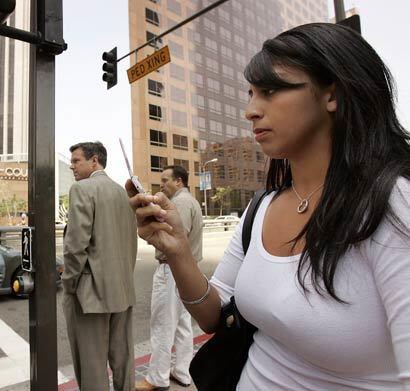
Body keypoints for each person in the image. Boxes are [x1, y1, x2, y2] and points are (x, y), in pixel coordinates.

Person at [127, 23, 410, 390]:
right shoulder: (261, 206)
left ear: (331, 95)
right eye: (251, 94)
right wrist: (178, 249)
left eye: (271, 91)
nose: (250, 110)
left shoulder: (393, 205)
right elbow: (215, 317)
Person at [62, 141, 138, 390]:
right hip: (123, 289)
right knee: (123, 360)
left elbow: (75, 246)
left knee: (93, 367)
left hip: (90, 295)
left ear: (94, 161)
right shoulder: (122, 193)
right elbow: (130, 242)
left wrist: (69, 284)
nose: (72, 166)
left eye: (76, 161)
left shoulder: (82, 189)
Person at [136, 166, 203, 390]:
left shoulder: (180, 204)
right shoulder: (190, 201)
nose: (162, 184)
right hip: (188, 269)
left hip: (172, 269)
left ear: (179, 182)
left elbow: (170, 237)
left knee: (163, 325)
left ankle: (157, 377)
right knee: (183, 325)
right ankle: (182, 371)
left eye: (166, 180)